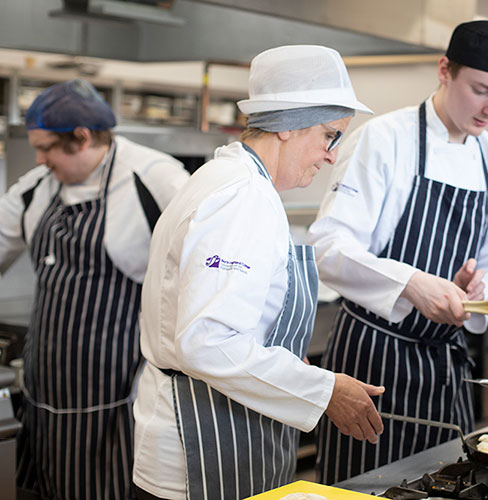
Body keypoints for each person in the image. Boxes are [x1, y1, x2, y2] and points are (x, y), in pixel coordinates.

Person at [132, 45, 385, 500]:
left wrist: (288, 363)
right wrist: (325, 389)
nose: (330, 156)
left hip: (222, 435)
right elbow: (207, 340)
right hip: (201, 449)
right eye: (330, 135)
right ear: (289, 125)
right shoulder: (241, 196)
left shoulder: (233, 180)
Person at [308, 20, 488, 483]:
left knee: (451, 486)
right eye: (482, 90)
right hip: (372, 360)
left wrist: (480, 290)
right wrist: (410, 282)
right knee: (364, 488)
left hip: (445, 366)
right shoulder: (384, 138)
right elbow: (329, 247)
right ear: (445, 70)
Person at [0, 79, 189, 499]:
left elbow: (202, 262)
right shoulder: (36, 188)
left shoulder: (155, 180)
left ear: (82, 138)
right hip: (45, 385)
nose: (39, 159)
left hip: (118, 390)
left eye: (47, 147)